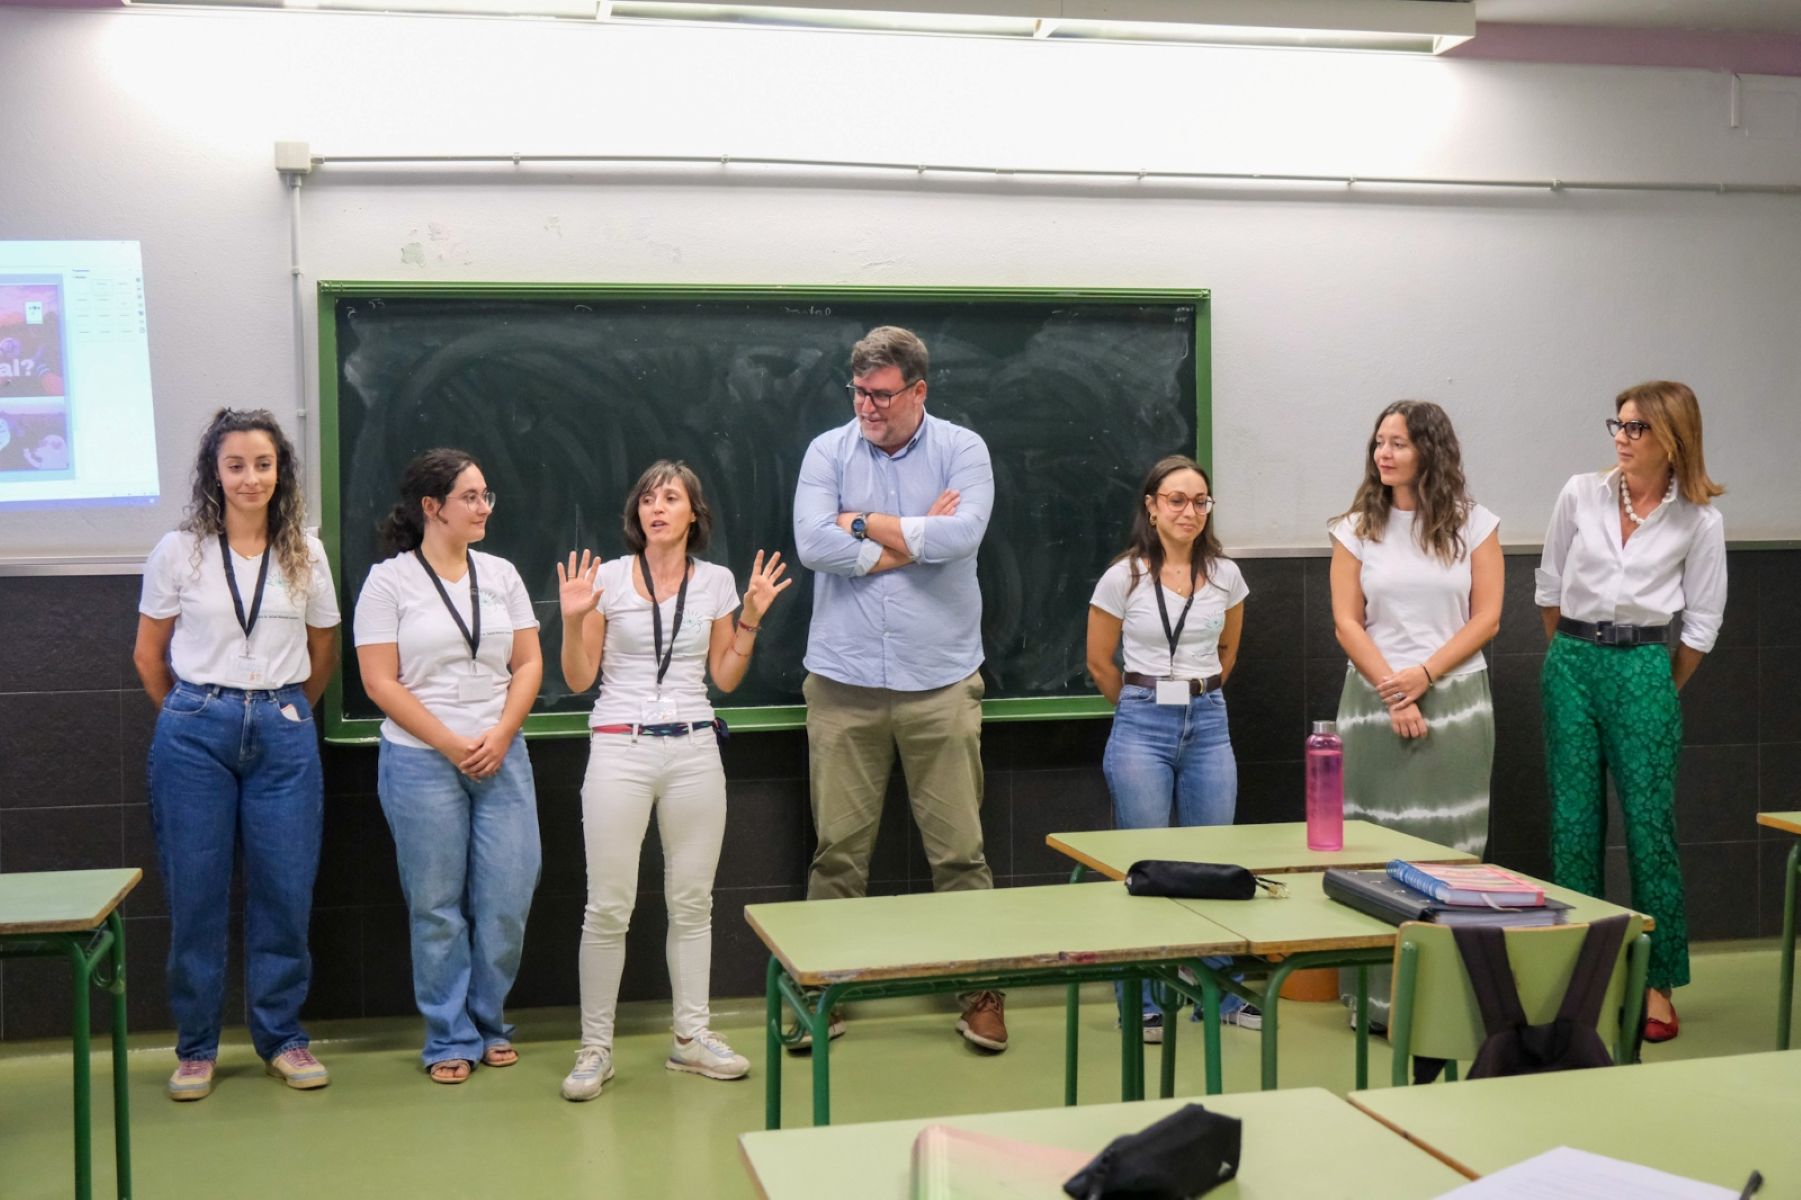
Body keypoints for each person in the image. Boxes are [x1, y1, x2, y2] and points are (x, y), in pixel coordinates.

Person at [791, 325, 1006, 1052]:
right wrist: (907, 540)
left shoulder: (961, 450)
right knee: (837, 853)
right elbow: (811, 543)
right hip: (843, 680)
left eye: (881, 394)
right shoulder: (828, 449)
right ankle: (821, 993)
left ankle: (979, 994)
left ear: (918, 390)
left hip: (939, 680)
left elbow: (962, 537)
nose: (867, 407)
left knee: (960, 854)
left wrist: (859, 524)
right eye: (857, 392)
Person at [556, 460, 792, 1101]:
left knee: (692, 901)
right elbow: (579, 679)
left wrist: (751, 618)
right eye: (647, 500)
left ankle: (691, 1039)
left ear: (694, 515)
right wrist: (575, 619)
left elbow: (726, 677)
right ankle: (594, 1049)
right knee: (608, 905)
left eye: (671, 498)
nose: (656, 508)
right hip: (619, 749)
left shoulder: (715, 582)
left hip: (692, 750)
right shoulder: (603, 579)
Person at [132, 407, 340, 1101]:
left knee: (284, 890)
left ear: (280, 472)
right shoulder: (180, 550)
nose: (250, 478)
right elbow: (148, 654)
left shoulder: (305, 551)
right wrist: (195, 715)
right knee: (196, 894)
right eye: (235, 465)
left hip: (282, 726)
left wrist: (278, 712)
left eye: (263, 464)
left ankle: (282, 1037)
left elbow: (321, 653)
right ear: (213, 474)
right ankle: (196, 1048)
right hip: (194, 729)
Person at [1536, 381, 1725, 1043]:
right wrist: (1576, 659)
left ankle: (1656, 980)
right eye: (1615, 424)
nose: (1619, 436)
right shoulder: (1577, 493)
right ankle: (1578, 976)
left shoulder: (1697, 518)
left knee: (1649, 829)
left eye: (1635, 427)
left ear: (1671, 437)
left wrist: (1656, 685)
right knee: (1572, 825)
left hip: (1645, 666)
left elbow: (1701, 622)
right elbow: (1550, 589)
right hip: (1572, 659)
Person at [354, 448, 544, 1084]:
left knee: (507, 896)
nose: (484, 506)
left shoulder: (502, 574)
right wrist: (449, 743)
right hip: (421, 759)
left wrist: (500, 732)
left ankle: (489, 1021)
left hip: (501, 751)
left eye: (487, 495)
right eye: (470, 496)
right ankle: (449, 1037)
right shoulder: (389, 582)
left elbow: (530, 664)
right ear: (431, 507)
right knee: (436, 906)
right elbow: (380, 682)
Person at [1329, 400, 1502, 1028]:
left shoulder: (1474, 524)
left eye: (1398, 442)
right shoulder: (1356, 527)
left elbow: (1487, 617)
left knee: (1448, 851)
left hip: (1453, 702)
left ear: (1430, 449)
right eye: (1379, 441)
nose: (1384, 453)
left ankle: (1444, 1006)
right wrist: (1394, 690)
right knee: (1374, 853)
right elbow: (1347, 621)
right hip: (1374, 701)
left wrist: (1424, 677)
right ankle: (1374, 1005)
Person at [1086, 455, 1248, 1040]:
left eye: (1200, 501)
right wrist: (1141, 706)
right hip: (1141, 722)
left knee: (1213, 862)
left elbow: (1229, 651)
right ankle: (1145, 1000)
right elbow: (1100, 663)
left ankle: (1219, 994)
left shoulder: (1227, 575)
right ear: (1151, 507)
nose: (1189, 511)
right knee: (1146, 866)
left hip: (1208, 721)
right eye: (1176, 500)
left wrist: (1198, 695)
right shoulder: (1122, 577)